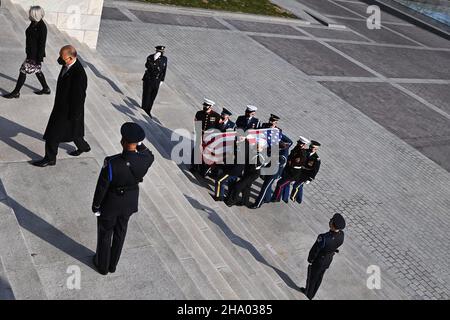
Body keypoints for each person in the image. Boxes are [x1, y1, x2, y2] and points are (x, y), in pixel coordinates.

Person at [91, 122, 154, 275]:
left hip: (111, 203)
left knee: (105, 234)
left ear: (123, 141)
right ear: (137, 142)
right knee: (120, 233)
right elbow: (150, 154)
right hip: (129, 203)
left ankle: (102, 266)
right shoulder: (145, 159)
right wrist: (139, 144)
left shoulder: (112, 162)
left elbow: (102, 187)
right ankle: (113, 265)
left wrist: (96, 206)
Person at [32, 45, 91, 167]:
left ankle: (50, 159)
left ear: (70, 58)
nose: (59, 59)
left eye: (62, 58)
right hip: (61, 106)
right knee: (75, 132)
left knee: (52, 135)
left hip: (68, 110)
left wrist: (75, 115)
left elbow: (79, 97)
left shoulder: (79, 74)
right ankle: (84, 147)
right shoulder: (67, 65)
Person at [3, 6, 50, 99]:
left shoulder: (42, 27)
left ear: (34, 15)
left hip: (34, 56)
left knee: (23, 71)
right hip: (31, 53)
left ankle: (16, 92)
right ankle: (46, 88)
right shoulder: (34, 23)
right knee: (37, 70)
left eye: (30, 13)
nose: (29, 14)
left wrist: (38, 59)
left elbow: (42, 44)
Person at [250, 114, 293, 209]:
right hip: (267, 164)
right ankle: (267, 198)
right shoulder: (265, 128)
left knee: (265, 186)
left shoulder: (283, 150)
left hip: (273, 169)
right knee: (265, 183)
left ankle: (258, 204)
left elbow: (281, 161)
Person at [300, 213, 345, 300]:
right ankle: (312, 294)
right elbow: (336, 245)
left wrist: (310, 259)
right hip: (328, 260)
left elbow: (315, 250)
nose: (330, 220)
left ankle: (308, 294)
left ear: (333, 225)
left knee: (312, 278)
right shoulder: (341, 235)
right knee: (319, 277)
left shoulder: (323, 238)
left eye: (331, 220)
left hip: (319, 261)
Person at [225, 139, 266, 208]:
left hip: (253, 174)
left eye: (259, 146)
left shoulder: (261, 155)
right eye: (257, 145)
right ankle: (245, 201)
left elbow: (259, 164)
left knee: (238, 186)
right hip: (248, 171)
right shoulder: (253, 150)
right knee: (247, 187)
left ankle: (231, 201)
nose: (257, 146)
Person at [271, 136, 311, 202]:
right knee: (283, 184)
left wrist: (290, 162)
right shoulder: (297, 148)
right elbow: (291, 156)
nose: (298, 144)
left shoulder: (302, 153)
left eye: (300, 143)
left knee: (280, 184)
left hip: (293, 174)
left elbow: (296, 162)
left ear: (304, 145)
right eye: (298, 142)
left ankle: (276, 198)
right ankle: (283, 198)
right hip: (288, 170)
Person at [191, 98, 221, 175]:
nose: (204, 107)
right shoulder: (199, 113)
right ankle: (194, 166)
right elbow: (197, 124)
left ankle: (203, 169)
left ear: (210, 106)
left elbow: (218, 128)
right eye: (204, 105)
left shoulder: (216, 116)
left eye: (206, 106)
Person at [141, 45, 167, 118]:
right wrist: (154, 60)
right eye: (159, 52)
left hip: (157, 80)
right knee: (147, 95)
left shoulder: (164, 59)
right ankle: (144, 109)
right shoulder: (151, 57)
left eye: (162, 52)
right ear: (156, 51)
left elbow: (164, 70)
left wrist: (162, 79)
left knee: (153, 96)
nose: (161, 53)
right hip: (149, 79)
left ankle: (148, 110)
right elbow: (148, 66)